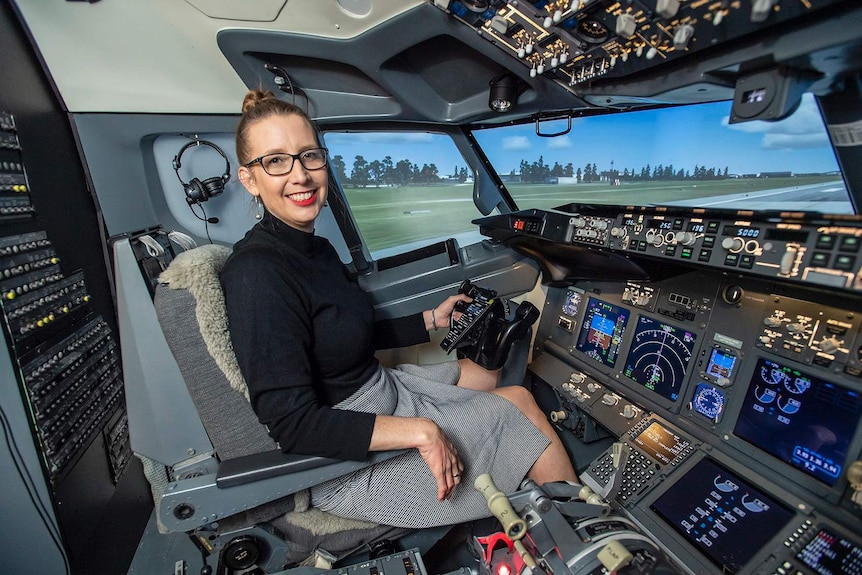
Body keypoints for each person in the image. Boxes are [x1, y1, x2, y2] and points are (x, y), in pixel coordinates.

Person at [221, 89, 577, 529]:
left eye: (309, 156)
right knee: (519, 404)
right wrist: (421, 431)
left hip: (385, 391)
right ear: (250, 179)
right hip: (348, 458)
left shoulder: (318, 250)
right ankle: (584, 535)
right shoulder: (257, 274)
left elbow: (344, 331)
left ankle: (525, 472)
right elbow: (293, 425)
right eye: (276, 161)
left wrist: (430, 320)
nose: (301, 175)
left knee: (487, 372)